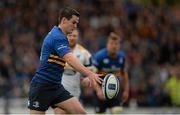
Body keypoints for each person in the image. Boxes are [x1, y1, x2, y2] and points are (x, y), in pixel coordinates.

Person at [27, 7, 101, 114]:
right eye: (73, 22)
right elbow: (69, 59)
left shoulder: (60, 35)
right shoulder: (58, 36)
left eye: (77, 23)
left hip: (56, 86)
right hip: (41, 86)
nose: (75, 26)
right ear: (64, 20)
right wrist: (89, 73)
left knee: (81, 113)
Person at [83, 32, 129, 113]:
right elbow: (92, 75)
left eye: (116, 44)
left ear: (119, 45)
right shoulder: (99, 56)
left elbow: (124, 74)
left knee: (117, 111)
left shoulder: (122, 57)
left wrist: (126, 90)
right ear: (107, 44)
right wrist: (98, 90)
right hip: (101, 89)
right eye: (111, 43)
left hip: (114, 89)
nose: (114, 46)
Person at [53, 29, 95, 114]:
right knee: (60, 113)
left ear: (78, 37)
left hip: (75, 93)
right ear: (66, 36)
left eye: (74, 36)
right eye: (70, 35)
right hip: (58, 92)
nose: (72, 38)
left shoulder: (84, 53)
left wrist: (87, 79)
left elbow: (91, 72)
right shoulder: (58, 50)